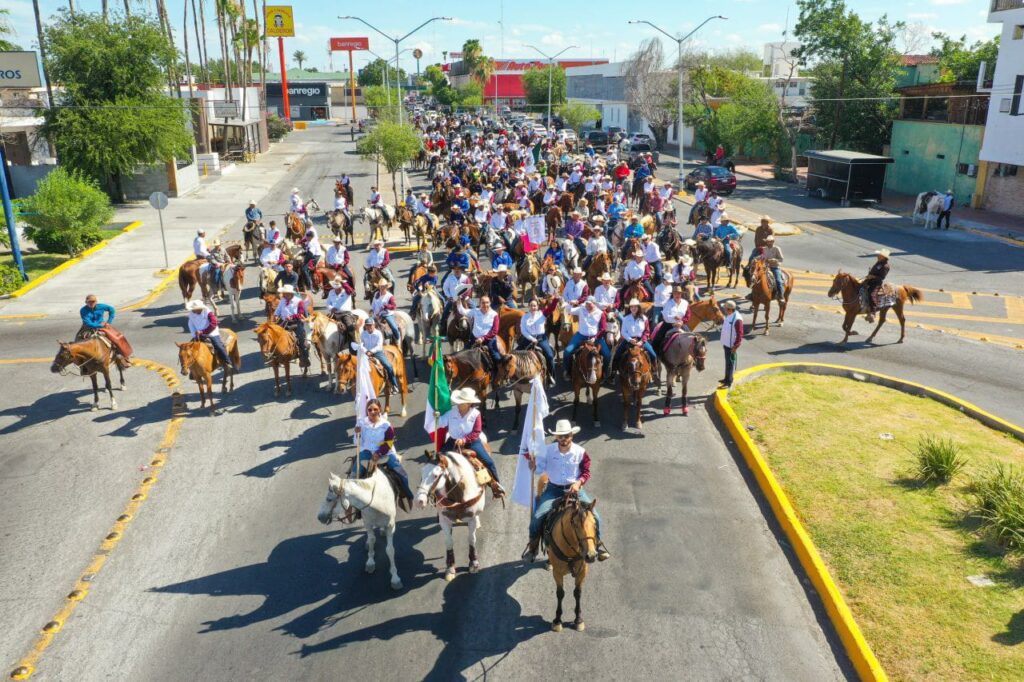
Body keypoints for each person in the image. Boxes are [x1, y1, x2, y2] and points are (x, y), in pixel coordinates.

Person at [520, 419, 609, 562]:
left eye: (566, 436)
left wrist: (578, 483)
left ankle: (598, 545)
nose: (563, 439)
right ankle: (533, 548)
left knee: (596, 516)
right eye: (560, 436)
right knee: (537, 517)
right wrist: (533, 466)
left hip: (575, 490)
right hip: (553, 489)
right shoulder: (547, 450)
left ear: (571, 436)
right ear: (556, 437)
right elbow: (540, 468)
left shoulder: (581, 452)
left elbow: (586, 472)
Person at [442, 388, 505, 497]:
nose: (459, 403)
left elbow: (476, 431)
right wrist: (436, 417)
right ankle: (432, 491)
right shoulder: (451, 412)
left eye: (462, 402)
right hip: (452, 441)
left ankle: (496, 486)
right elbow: (442, 422)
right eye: (458, 401)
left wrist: (464, 439)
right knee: (436, 461)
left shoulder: (476, 414)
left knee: (489, 462)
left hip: (471, 443)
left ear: (469, 403)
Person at [354, 398, 413, 504]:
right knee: (354, 475)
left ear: (380, 410)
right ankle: (352, 504)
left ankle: (407, 496)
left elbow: (389, 442)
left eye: (375, 409)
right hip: (366, 452)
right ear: (367, 411)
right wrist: (357, 433)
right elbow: (357, 442)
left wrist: (379, 453)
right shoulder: (361, 423)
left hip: (385, 453)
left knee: (402, 474)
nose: (372, 412)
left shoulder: (386, 425)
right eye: (370, 409)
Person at [457, 295, 507, 380]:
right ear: (480, 303)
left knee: (496, 357)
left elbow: (495, 331)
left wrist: (483, 338)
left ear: (490, 303)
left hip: (489, 339)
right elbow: (463, 311)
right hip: (474, 338)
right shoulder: (475, 311)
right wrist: (458, 302)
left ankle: (500, 375)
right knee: (463, 354)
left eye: (487, 302)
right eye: (483, 303)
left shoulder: (494, 315)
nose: (485, 305)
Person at [77, 295, 133, 368]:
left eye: (93, 302)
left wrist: (109, 322)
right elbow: (88, 323)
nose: (91, 303)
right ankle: (83, 365)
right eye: (89, 302)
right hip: (88, 327)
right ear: (86, 302)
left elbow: (112, 309)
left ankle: (124, 357)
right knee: (78, 341)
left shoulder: (102, 306)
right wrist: (100, 326)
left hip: (103, 325)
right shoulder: (83, 310)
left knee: (117, 338)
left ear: (96, 302)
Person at [562, 297, 610, 379]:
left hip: (596, 337)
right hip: (581, 335)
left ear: (594, 304)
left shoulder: (600, 313)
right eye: (586, 303)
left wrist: (595, 337)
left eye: (589, 304)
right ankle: (567, 370)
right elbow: (569, 310)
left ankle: (604, 372)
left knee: (607, 355)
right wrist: (570, 303)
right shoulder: (581, 309)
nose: (587, 305)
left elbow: (603, 329)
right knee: (567, 352)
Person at [612, 298, 656, 376]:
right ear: (630, 308)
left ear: (638, 308)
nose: (633, 308)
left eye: (635, 306)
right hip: (628, 340)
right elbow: (623, 332)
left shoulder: (644, 319)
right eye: (632, 307)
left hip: (641, 340)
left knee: (653, 354)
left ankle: (654, 372)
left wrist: (642, 341)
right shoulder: (626, 319)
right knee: (617, 354)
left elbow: (646, 332)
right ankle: (613, 372)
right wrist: (629, 339)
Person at [518, 297, 555, 386]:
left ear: (537, 306)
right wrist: (531, 338)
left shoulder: (542, 314)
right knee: (515, 353)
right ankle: (514, 376)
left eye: (534, 306)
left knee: (549, 356)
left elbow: (551, 308)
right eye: (531, 306)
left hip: (541, 339)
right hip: (528, 339)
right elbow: (523, 330)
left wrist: (556, 300)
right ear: (528, 307)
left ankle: (551, 376)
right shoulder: (524, 316)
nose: (533, 307)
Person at [186, 300, 232, 367]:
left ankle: (227, 361)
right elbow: (191, 324)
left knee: (218, 346)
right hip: (198, 334)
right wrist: (194, 335)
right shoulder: (191, 314)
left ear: (199, 308)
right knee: (189, 349)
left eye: (194, 309)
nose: (192, 311)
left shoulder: (208, 312)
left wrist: (203, 332)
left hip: (211, 332)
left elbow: (213, 324)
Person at [273, 285, 310, 367]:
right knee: (274, 336)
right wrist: (276, 314)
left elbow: (300, 314)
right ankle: (275, 356)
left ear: (290, 293)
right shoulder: (283, 300)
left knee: (301, 339)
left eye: (285, 293)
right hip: (284, 321)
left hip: (295, 322)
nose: (283, 295)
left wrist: (292, 317)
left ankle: (305, 358)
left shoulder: (299, 301)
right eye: (284, 293)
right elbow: (278, 309)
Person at [360, 316, 400, 392]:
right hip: (366, 353)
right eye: (367, 325)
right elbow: (361, 344)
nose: (369, 327)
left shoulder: (378, 333)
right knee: (356, 367)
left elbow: (379, 346)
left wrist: (371, 351)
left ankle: (394, 385)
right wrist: (366, 351)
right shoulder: (363, 334)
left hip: (377, 353)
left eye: (370, 325)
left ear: (374, 325)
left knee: (388, 366)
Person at [652, 285, 691, 350]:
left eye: (679, 293)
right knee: (657, 338)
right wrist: (674, 318)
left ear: (681, 294)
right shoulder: (668, 303)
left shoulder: (685, 303)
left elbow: (688, 315)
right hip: (668, 324)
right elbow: (665, 316)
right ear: (673, 294)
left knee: (691, 337)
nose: (677, 295)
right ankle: (656, 354)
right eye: (675, 293)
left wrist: (682, 321)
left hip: (681, 324)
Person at [719, 299, 743, 389]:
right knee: (727, 362)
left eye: (725, 308)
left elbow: (740, 334)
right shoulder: (729, 315)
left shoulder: (737, 319)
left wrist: (736, 346)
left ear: (729, 309)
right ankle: (726, 378)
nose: (724, 310)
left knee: (730, 363)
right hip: (726, 344)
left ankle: (729, 382)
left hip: (731, 346)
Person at [861, 249, 890, 322]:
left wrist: (872, 277)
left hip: (876, 283)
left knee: (871, 294)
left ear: (883, 257)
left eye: (879, 255)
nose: (877, 256)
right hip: (869, 280)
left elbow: (882, 277)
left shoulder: (885, 266)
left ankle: (872, 312)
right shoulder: (879, 262)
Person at [440, 264, 471, 331]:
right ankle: (442, 326)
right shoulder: (449, 278)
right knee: (445, 311)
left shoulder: (465, 278)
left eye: (458, 269)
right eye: (455, 269)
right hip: (453, 299)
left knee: (474, 307)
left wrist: (466, 297)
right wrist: (449, 296)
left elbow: (469, 289)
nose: (457, 270)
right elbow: (445, 288)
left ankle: (474, 327)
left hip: (464, 299)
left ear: (461, 270)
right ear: (453, 270)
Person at [753, 235, 785, 299]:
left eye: (771, 241)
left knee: (778, 281)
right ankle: (752, 294)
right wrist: (756, 258)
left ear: (773, 242)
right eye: (768, 241)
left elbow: (781, 259)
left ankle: (781, 296)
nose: (769, 243)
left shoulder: (777, 248)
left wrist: (774, 260)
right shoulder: (764, 249)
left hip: (774, 267)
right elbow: (762, 256)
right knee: (755, 278)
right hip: (765, 267)